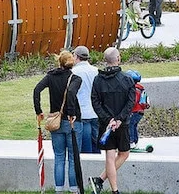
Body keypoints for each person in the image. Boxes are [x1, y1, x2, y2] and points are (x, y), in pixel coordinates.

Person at [33, 50, 83, 193]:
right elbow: (72, 93)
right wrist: (72, 113)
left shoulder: (50, 77)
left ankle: (58, 189)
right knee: (73, 158)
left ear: (59, 62)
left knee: (59, 157)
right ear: (71, 63)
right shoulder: (75, 78)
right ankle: (74, 189)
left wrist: (39, 111)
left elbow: (37, 90)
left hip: (56, 121)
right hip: (72, 121)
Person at [89, 47, 135, 194]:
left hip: (106, 124)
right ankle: (112, 189)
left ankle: (103, 181)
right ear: (118, 59)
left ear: (105, 61)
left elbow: (95, 102)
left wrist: (108, 119)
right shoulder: (127, 79)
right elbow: (131, 101)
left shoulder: (98, 80)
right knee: (124, 154)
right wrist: (119, 119)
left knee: (110, 156)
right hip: (122, 124)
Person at [71, 46, 100, 154]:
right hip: (95, 112)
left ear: (76, 56)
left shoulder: (74, 72)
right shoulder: (96, 71)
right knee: (96, 145)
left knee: (85, 148)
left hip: (82, 113)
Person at [125, 70, 149, 149]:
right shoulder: (140, 89)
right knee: (134, 126)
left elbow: (133, 102)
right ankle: (135, 141)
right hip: (140, 112)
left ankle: (131, 142)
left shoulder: (134, 90)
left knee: (130, 125)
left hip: (134, 111)